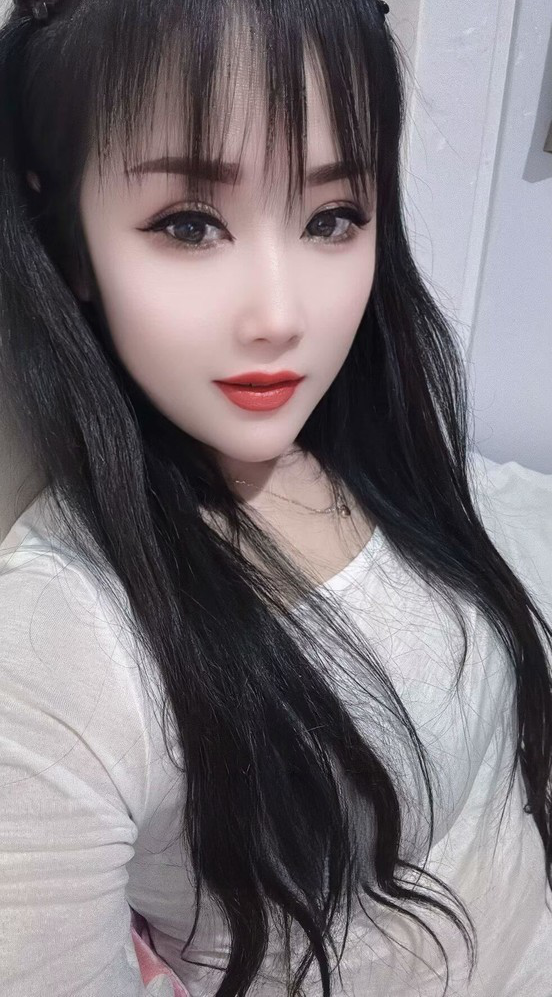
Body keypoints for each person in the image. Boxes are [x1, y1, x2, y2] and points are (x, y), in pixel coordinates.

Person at [0, 0, 551, 995]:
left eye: (332, 217)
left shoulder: (368, 437)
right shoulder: (56, 648)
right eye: (189, 224)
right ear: (68, 239)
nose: (282, 315)